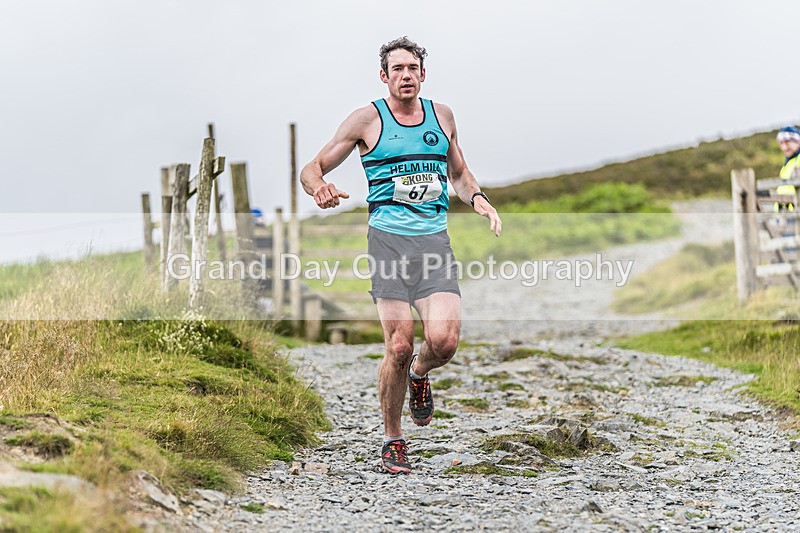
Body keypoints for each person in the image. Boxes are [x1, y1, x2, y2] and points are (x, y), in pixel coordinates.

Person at [299, 36, 502, 474]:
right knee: (398, 344)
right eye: (398, 69)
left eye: (413, 68)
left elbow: (459, 173)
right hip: (388, 243)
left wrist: (479, 199)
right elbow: (311, 167)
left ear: (423, 74)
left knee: (443, 342)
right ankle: (393, 438)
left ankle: (419, 375)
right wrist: (321, 188)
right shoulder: (365, 120)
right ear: (384, 76)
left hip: (433, 244)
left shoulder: (441, 116)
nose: (406, 75)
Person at [776, 126, 800, 211]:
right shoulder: (787, 164)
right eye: (781, 143)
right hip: (786, 214)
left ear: (798, 142)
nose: (784, 148)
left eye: (787, 142)